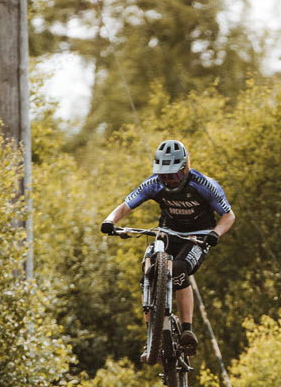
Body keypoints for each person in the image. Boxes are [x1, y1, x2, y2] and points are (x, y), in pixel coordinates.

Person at [100, 139, 235, 356]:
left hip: (198, 237)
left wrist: (215, 233)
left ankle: (187, 330)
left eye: (173, 175)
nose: (169, 181)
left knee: (180, 269)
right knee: (147, 268)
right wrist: (110, 221)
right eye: (164, 175)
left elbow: (228, 216)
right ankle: (151, 335)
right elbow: (126, 205)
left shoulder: (203, 184)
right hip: (168, 232)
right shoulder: (153, 184)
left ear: (185, 168)